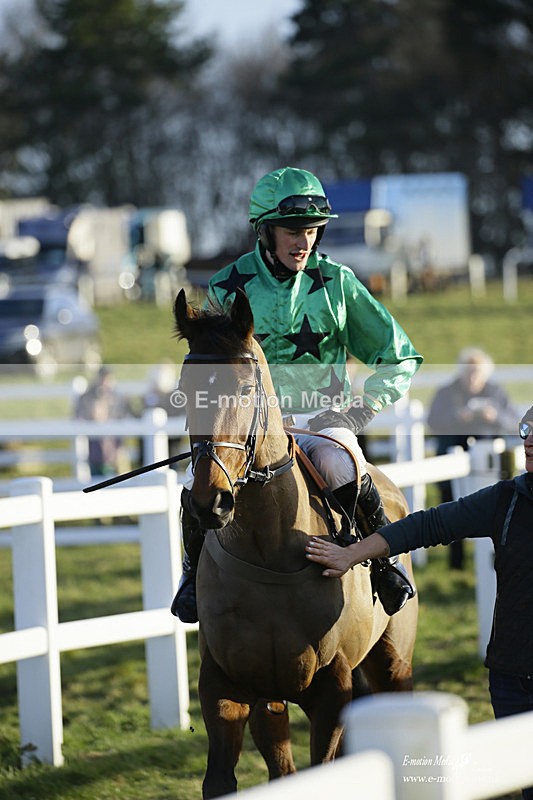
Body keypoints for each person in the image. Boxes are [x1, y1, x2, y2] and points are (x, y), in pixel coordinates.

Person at [171, 166, 423, 623]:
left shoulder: (338, 284)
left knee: (339, 463)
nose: (303, 241)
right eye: (292, 231)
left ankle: (384, 566)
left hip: (322, 424)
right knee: (194, 484)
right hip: (246, 430)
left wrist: (359, 411)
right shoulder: (228, 286)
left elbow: (399, 356)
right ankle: (192, 577)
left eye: (311, 230)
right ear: (265, 231)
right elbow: (206, 367)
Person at [305, 406, 533, 800]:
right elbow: (428, 525)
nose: (529, 440)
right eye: (527, 430)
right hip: (513, 677)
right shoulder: (508, 499)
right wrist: (353, 553)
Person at [428, 347, 518, 569]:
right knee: (450, 508)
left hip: (490, 466)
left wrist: (494, 416)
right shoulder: (447, 392)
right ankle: (455, 563)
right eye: (469, 372)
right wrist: (457, 416)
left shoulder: (496, 392)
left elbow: (513, 422)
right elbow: (433, 421)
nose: (472, 377)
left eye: (477, 372)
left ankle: (494, 559)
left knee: (494, 509)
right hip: (450, 461)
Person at [74, 366, 136, 477]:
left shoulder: (118, 398)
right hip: (96, 449)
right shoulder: (88, 397)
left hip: (116, 447)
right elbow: (79, 418)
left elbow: (127, 419)